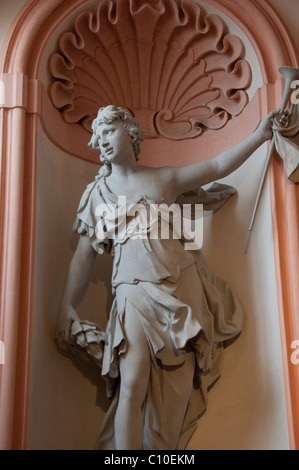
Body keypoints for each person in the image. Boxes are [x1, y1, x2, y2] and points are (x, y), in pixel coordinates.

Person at [56, 104, 285, 450]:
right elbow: (83, 256)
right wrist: (65, 306)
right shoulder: (97, 195)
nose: (102, 141)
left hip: (179, 287)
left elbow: (217, 165)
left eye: (109, 131)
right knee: (132, 379)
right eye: (97, 135)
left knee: (176, 381)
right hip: (132, 289)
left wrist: (260, 134)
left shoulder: (162, 178)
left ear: (130, 133)